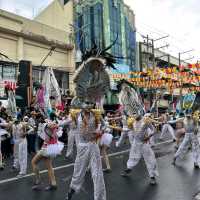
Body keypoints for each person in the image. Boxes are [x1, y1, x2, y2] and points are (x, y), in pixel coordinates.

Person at [65, 102, 106, 200]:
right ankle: (72, 190)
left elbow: (105, 125)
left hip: (93, 145)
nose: (88, 105)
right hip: (82, 147)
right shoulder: (76, 114)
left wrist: (100, 131)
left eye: (90, 103)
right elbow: (66, 122)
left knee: (97, 172)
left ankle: (99, 197)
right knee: (78, 171)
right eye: (86, 103)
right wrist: (55, 124)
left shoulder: (96, 114)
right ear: (81, 104)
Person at [121, 114, 159, 185]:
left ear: (139, 112)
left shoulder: (146, 120)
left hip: (144, 143)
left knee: (149, 160)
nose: (134, 115)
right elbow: (129, 129)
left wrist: (148, 137)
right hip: (136, 143)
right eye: (133, 113)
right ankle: (129, 169)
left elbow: (154, 130)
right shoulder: (132, 121)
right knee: (133, 157)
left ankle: (152, 177)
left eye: (135, 113)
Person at [31, 119, 63, 191]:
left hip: (46, 148)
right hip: (51, 147)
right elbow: (55, 135)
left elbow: (48, 139)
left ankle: (38, 181)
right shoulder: (55, 127)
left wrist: (49, 123)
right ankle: (53, 183)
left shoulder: (48, 126)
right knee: (49, 166)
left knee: (34, 162)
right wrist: (56, 125)